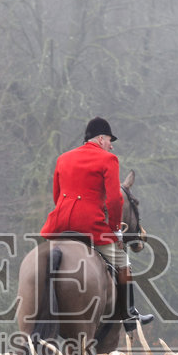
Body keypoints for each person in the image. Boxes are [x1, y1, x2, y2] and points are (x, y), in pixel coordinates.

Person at [40, 116, 153, 331]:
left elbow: (57, 194)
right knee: (122, 260)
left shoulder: (63, 158)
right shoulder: (108, 159)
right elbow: (114, 199)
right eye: (110, 140)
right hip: (90, 225)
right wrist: (116, 230)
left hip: (60, 225)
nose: (111, 145)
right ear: (101, 139)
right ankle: (129, 316)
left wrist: (65, 217)